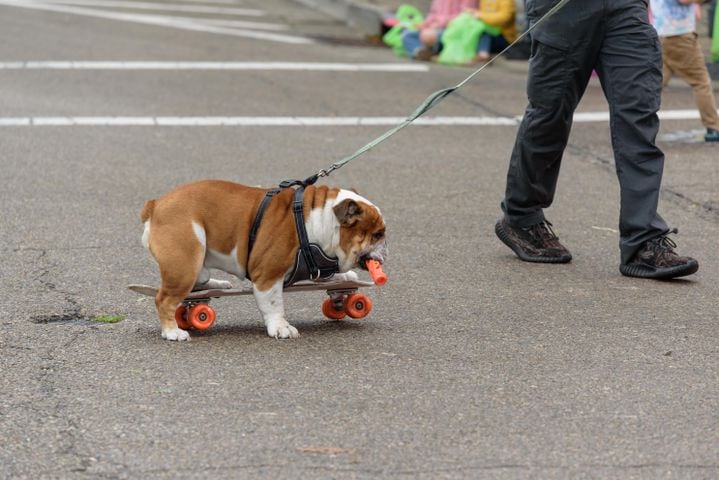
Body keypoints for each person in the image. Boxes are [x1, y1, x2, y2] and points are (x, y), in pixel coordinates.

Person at [494, 0, 699, 279]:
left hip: (626, 8)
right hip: (563, 10)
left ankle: (644, 241)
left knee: (638, 118)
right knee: (550, 115)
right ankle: (522, 217)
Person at [651, 0, 719, 142]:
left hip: (661, 32)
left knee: (654, 84)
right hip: (679, 35)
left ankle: (631, 121)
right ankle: (714, 127)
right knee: (701, 82)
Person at [401, 0, 477, 61]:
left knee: (430, 35)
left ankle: (430, 51)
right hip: (435, 27)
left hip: (452, 29)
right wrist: (424, 25)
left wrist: (439, 24)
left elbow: (466, 14)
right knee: (407, 34)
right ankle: (420, 51)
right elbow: (433, 14)